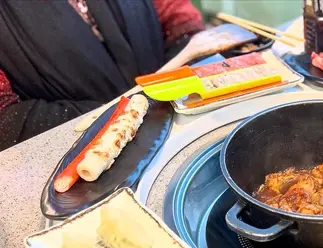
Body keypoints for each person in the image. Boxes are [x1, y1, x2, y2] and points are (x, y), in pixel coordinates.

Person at [0, 0, 205, 152]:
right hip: (78, 153)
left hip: (178, 116)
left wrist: (171, 83)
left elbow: (181, 21)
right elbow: (6, 120)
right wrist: (119, 114)